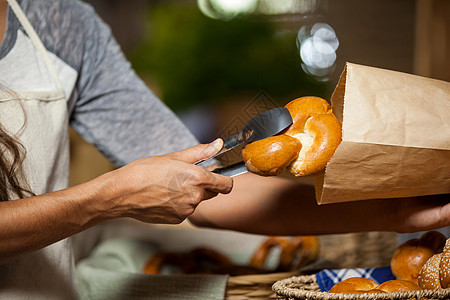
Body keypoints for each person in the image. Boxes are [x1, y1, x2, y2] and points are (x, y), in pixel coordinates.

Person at [0, 0, 448, 299]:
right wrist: (105, 200)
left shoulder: (62, 24)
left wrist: (394, 214)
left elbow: (215, 193)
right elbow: (112, 196)